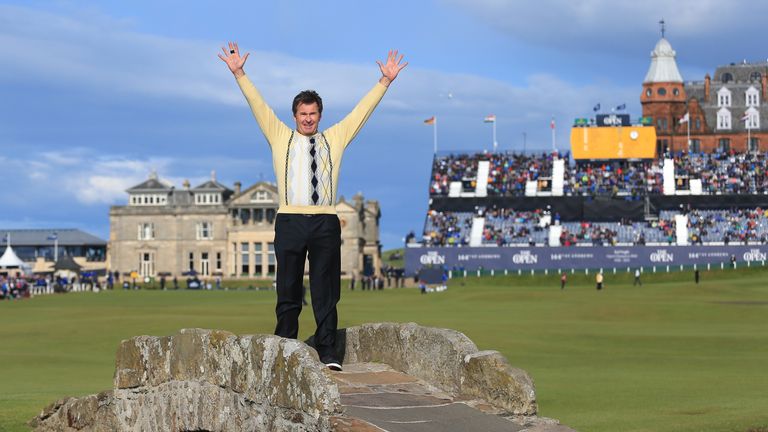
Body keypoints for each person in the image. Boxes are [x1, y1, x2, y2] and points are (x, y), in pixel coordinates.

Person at [220, 41, 407, 372]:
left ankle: (327, 351)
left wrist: (385, 82)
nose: (308, 119)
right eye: (303, 114)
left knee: (326, 290)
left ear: (320, 115)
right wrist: (240, 74)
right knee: (288, 289)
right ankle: (285, 349)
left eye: (313, 113)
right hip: (290, 221)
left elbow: (361, 112)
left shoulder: (335, 138)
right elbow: (258, 105)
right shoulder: (279, 136)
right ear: (295, 116)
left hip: (325, 222)